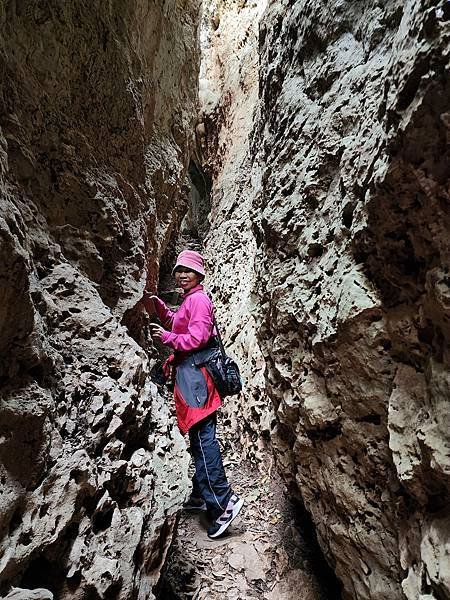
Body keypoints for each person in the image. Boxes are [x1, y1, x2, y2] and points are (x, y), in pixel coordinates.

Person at [142, 249, 244, 539]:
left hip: (197, 379)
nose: (182, 274)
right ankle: (201, 495)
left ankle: (224, 502)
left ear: (199, 274)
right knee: (200, 439)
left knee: (203, 440)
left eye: (188, 270)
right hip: (191, 378)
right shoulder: (191, 300)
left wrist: (167, 339)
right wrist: (161, 309)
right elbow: (180, 322)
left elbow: (197, 338)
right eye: (179, 269)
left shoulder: (198, 300)